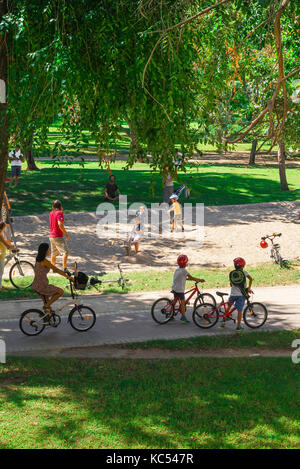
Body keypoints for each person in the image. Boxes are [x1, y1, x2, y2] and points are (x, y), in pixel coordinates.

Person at [31, 242, 72, 315]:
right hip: (42, 286)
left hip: (37, 284)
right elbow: (56, 270)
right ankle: (46, 306)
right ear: (45, 251)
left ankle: (47, 319)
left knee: (48, 309)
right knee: (60, 292)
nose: (49, 250)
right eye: (48, 249)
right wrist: (68, 276)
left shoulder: (38, 259)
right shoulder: (44, 261)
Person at [223, 257, 254, 332]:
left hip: (233, 294)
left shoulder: (232, 273)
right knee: (239, 311)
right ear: (243, 265)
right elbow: (251, 279)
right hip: (241, 296)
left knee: (228, 306)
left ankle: (223, 320)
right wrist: (249, 288)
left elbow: (231, 284)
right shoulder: (244, 273)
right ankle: (238, 326)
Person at [172, 254, 205, 323]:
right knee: (183, 303)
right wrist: (200, 280)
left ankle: (170, 314)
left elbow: (184, 278)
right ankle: (183, 317)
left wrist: (190, 279)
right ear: (186, 263)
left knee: (175, 301)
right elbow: (192, 277)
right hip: (180, 290)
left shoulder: (177, 270)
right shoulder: (184, 271)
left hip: (174, 288)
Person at [49, 200, 70, 272]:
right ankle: (65, 268)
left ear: (53, 206)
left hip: (51, 236)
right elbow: (60, 224)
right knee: (66, 252)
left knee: (54, 253)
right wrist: (66, 234)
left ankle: (53, 268)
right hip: (57, 236)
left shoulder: (51, 213)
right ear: (60, 206)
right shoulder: (59, 213)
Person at [0, 222, 19, 291]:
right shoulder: (0, 235)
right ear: (3, 228)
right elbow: (7, 246)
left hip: (2, 254)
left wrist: (11, 247)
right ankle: (0, 288)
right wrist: (15, 249)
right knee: (0, 272)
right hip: (0, 255)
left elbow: (5, 245)